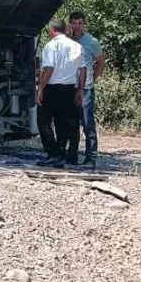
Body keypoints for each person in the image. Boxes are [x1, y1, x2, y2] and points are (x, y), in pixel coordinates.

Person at [36, 17, 86, 168]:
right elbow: (83, 69)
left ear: (51, 30)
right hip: (70, 88)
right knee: (63, 122)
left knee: (43, 121)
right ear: (65, 29)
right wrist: (80, 89)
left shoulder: (50, 46)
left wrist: (41, 88)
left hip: (52, 88)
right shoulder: (77, 46)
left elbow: (49, 69)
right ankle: (61, 152)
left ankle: (53, 153)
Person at [70, 10, 105, 166]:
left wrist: (92, 79)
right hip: (69, 87)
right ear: (70, 23)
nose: (77, 26)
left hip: (86, 89)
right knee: (71, 122)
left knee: (87, 123)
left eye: (80, 23)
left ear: (84, 24)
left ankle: (91, 157)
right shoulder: (67, 40)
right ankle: (72, 155)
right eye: (74, 23)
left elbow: (100, 62)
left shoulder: (91, 42)